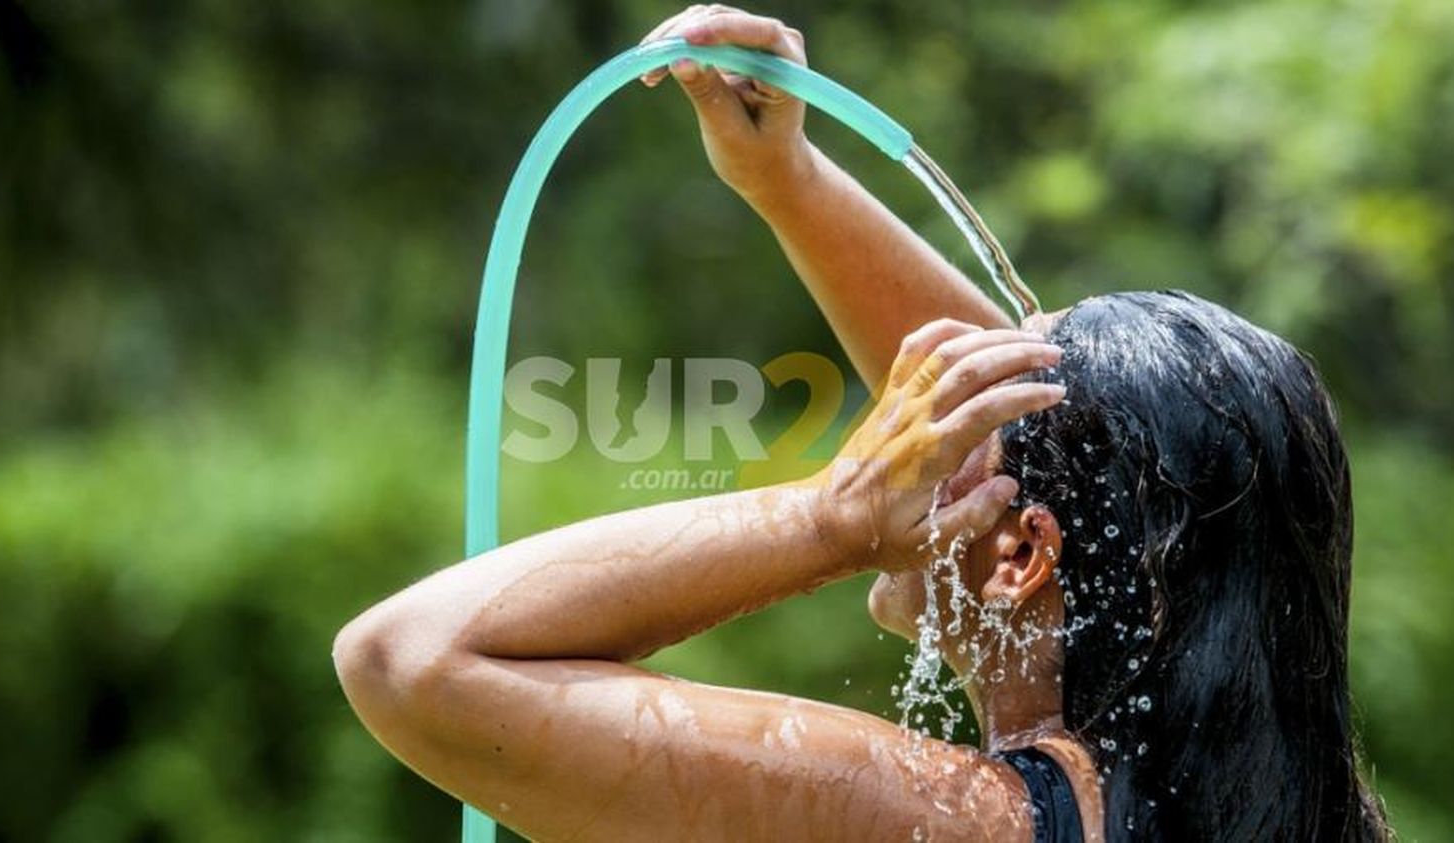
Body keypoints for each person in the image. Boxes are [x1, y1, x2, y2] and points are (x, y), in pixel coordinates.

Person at [333, 7, 1391, 840]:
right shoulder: (1300, 806)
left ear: (1021, 552)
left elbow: (411, 657)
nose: (908, 425)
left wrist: (831, 519)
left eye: (941, 427)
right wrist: (786, 179)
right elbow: (1078, 451)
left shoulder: (961, 824)